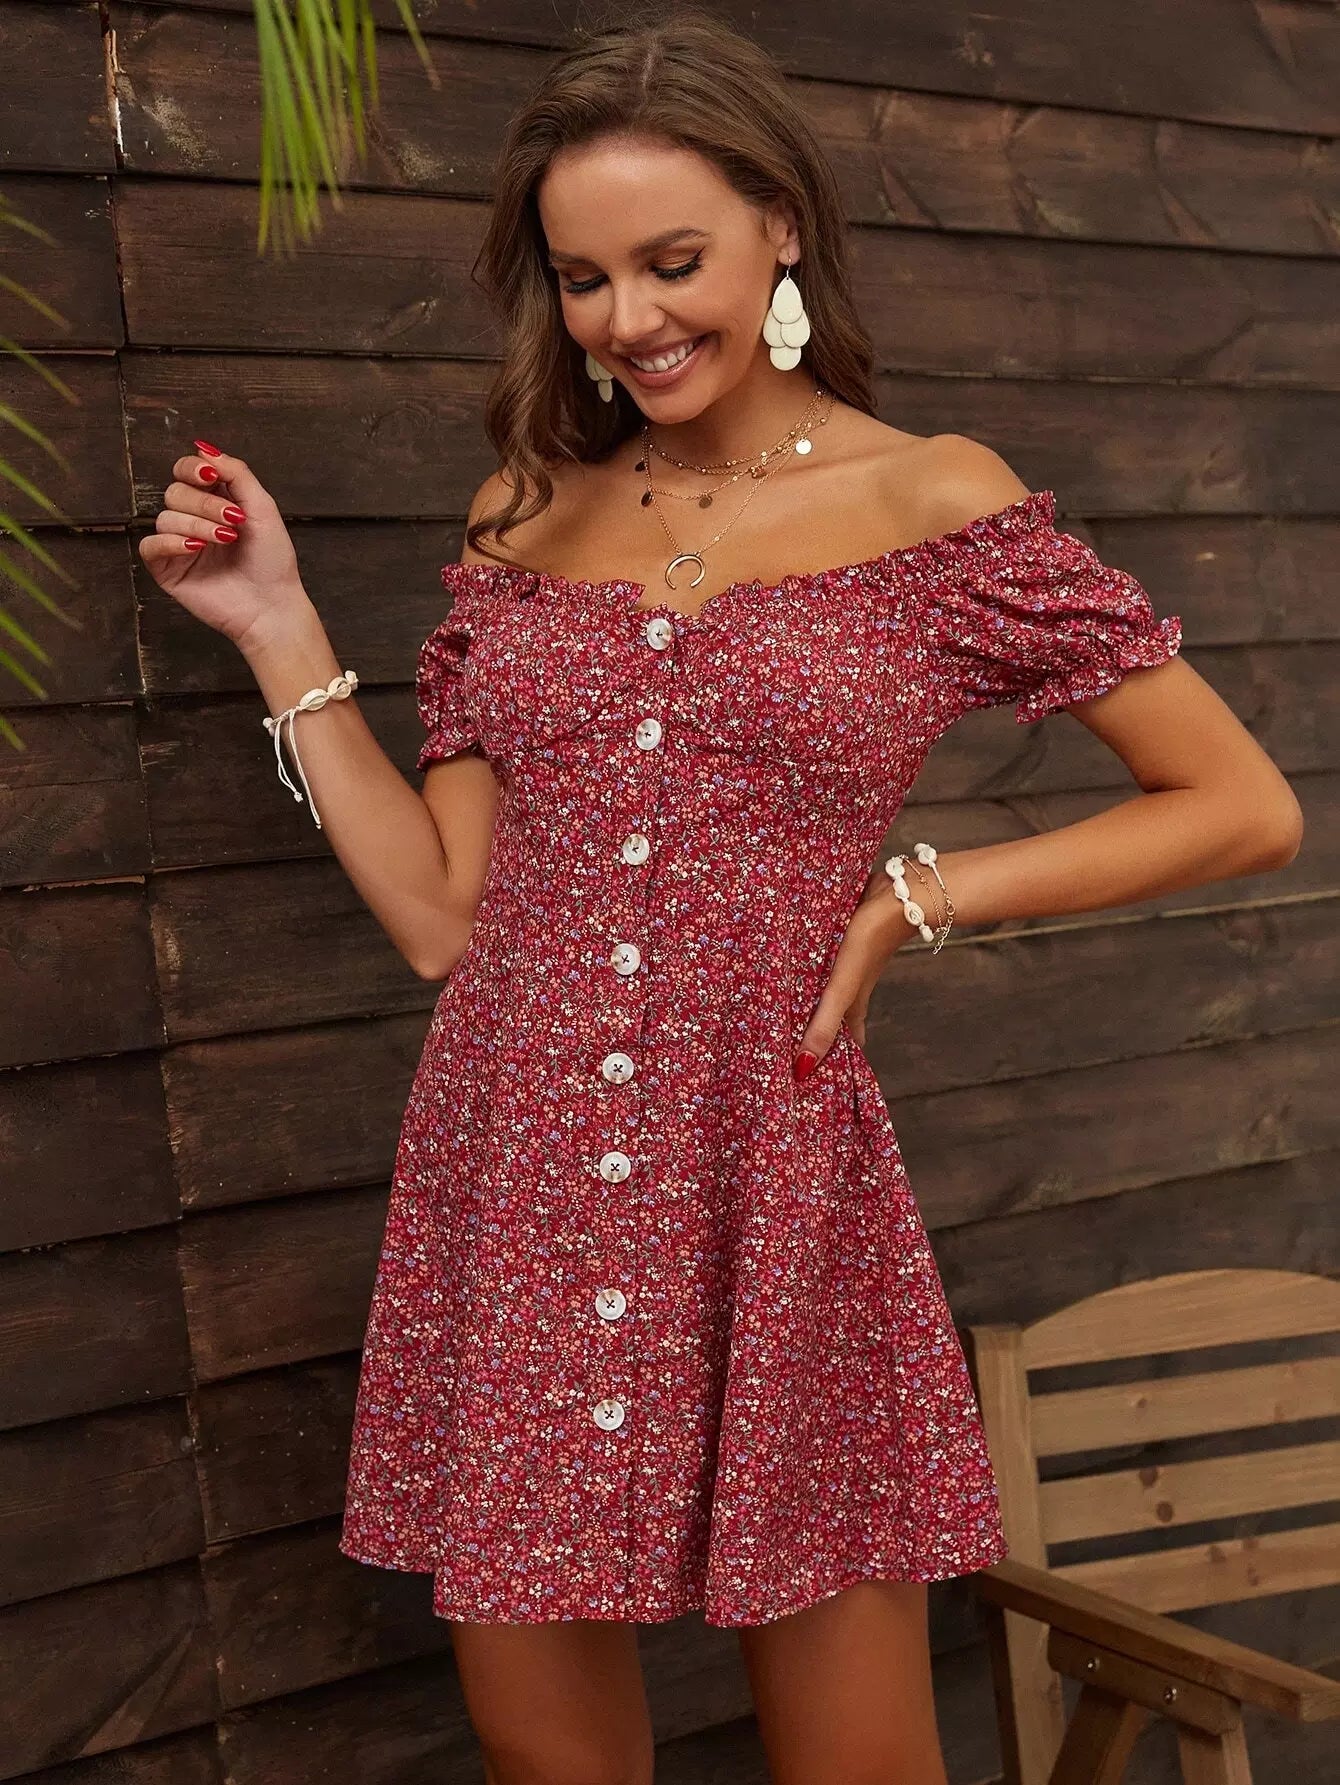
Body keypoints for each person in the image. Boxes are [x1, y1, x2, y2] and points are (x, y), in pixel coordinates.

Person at [138, 8, 1303, 1781]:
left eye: (671, 262)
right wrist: (278, 625)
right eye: (583, 278)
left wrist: (913, 898)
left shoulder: (934, 501)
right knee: (552, 1763)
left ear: (780, 228)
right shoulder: (524, 512)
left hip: (779, 1166)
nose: (629, 318)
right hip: (519, 1176)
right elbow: (444, 916)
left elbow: (1240, 804)